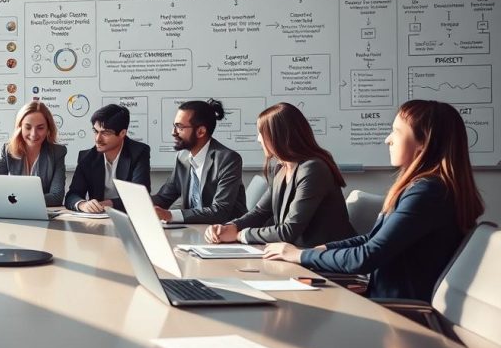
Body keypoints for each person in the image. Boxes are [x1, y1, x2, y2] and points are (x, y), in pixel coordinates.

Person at [265, 100, 484, 301]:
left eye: (396, 132)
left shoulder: (428, 192)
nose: (387, 139)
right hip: (380, 296)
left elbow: (367, 257)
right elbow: (372, 239)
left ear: (423, 142)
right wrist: (322, 249)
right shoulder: (423, 188)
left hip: (399, 313)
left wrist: (301, 255)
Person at [204, 102, 354, 247]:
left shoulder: (313, 169)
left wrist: (240, 235)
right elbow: (260, 212)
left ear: (278, 136)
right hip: (297, 254)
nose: (258, 139)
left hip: (324, 258)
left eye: (261, 133)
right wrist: (229, 227)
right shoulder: (282, 168)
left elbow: (289, 231)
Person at [152, 99, 247, 223]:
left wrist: (169, 215)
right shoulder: (182, 157)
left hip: (223, 232)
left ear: (201, 131)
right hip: (193, 229)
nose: (173, 132)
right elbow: (164, 197)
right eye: (174, 126)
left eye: (179, 127)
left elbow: (220, 211)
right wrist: (132, 205)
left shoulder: (228, 159)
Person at [65, 104, 151, 213]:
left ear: (122, 133)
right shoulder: (87, 157)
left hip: (130, 216)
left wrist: (109, 203)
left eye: (105, 133)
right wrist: (82, 204)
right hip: (98, 219)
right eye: (96, 131)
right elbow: (72, 195)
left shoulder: (139, 152)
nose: (97, 139)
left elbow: (140, 196)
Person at [0, 101, 67, 206]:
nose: (33, 134)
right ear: (20, 127)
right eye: (28, 127)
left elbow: (56, 197)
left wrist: (18, 201)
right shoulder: (8, 150)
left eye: (40, 128)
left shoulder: (57, 152)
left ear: (48, 129)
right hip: (14, 213)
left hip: (41, 215)